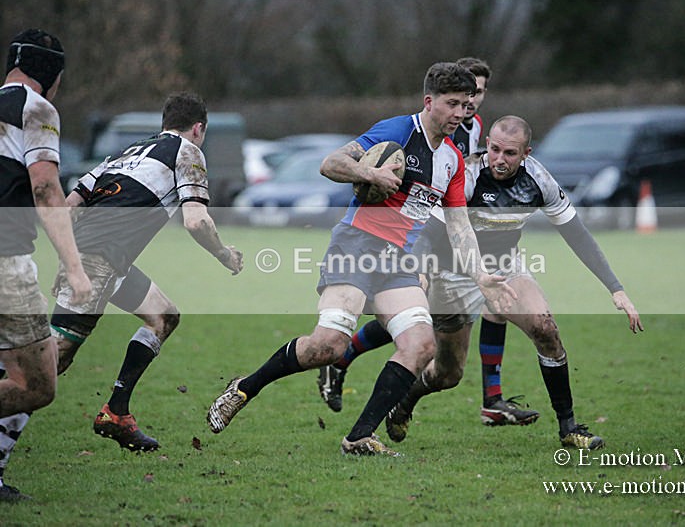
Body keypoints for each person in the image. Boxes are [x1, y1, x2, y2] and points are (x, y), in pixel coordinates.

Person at [207, 62, 516, 456]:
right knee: (329, 346)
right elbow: (331, 163)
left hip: (399, 262)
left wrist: (481, 275)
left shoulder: (453, 160)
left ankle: (358, 437)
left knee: (421, 346)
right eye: (451, 104)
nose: (459, 113)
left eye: (465, 104)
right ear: (429, 101)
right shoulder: (397, 131)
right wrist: (370, 176)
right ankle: (244, 388)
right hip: (356, 246)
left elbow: (459, 227)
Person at [0, 92, 244, 465]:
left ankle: (117, 411)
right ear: (199, 128)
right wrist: (225, 254)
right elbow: (196, 220)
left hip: (103, 258)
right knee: (48, 366)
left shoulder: (127, 153)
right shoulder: (189, 150)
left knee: (164, 316)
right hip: (98, 259)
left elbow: (69, 205)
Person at [381, 115, 642, 450]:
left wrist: (615, 288)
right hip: (453, 275)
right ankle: (405, 401)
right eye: (494, 149)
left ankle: (569, 428)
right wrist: (418, 269)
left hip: (505, 268)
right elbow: (429, 233)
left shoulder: (539, 180)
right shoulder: (468, 175)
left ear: (526, 153)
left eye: (510, 153)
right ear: (486, 144)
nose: (499, 159)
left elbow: (577, 234)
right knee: (448, 374)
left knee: (546, 329)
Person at [317, 58, 539, 425]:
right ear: (435, 100)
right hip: (426, 234)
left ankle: (491, 399)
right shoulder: (418, 128)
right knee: (415, 314)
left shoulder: (475, 129)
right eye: (465, 97)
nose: (471, 105)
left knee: (477, 311)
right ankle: (343, 361)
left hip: (460, 230)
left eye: (477, 96)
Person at [0, 28, 91, 501]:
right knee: (37, 384)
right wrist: (74, 268)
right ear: (52, 76)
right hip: (5, 262)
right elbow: (45, 189)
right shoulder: (36, 109)